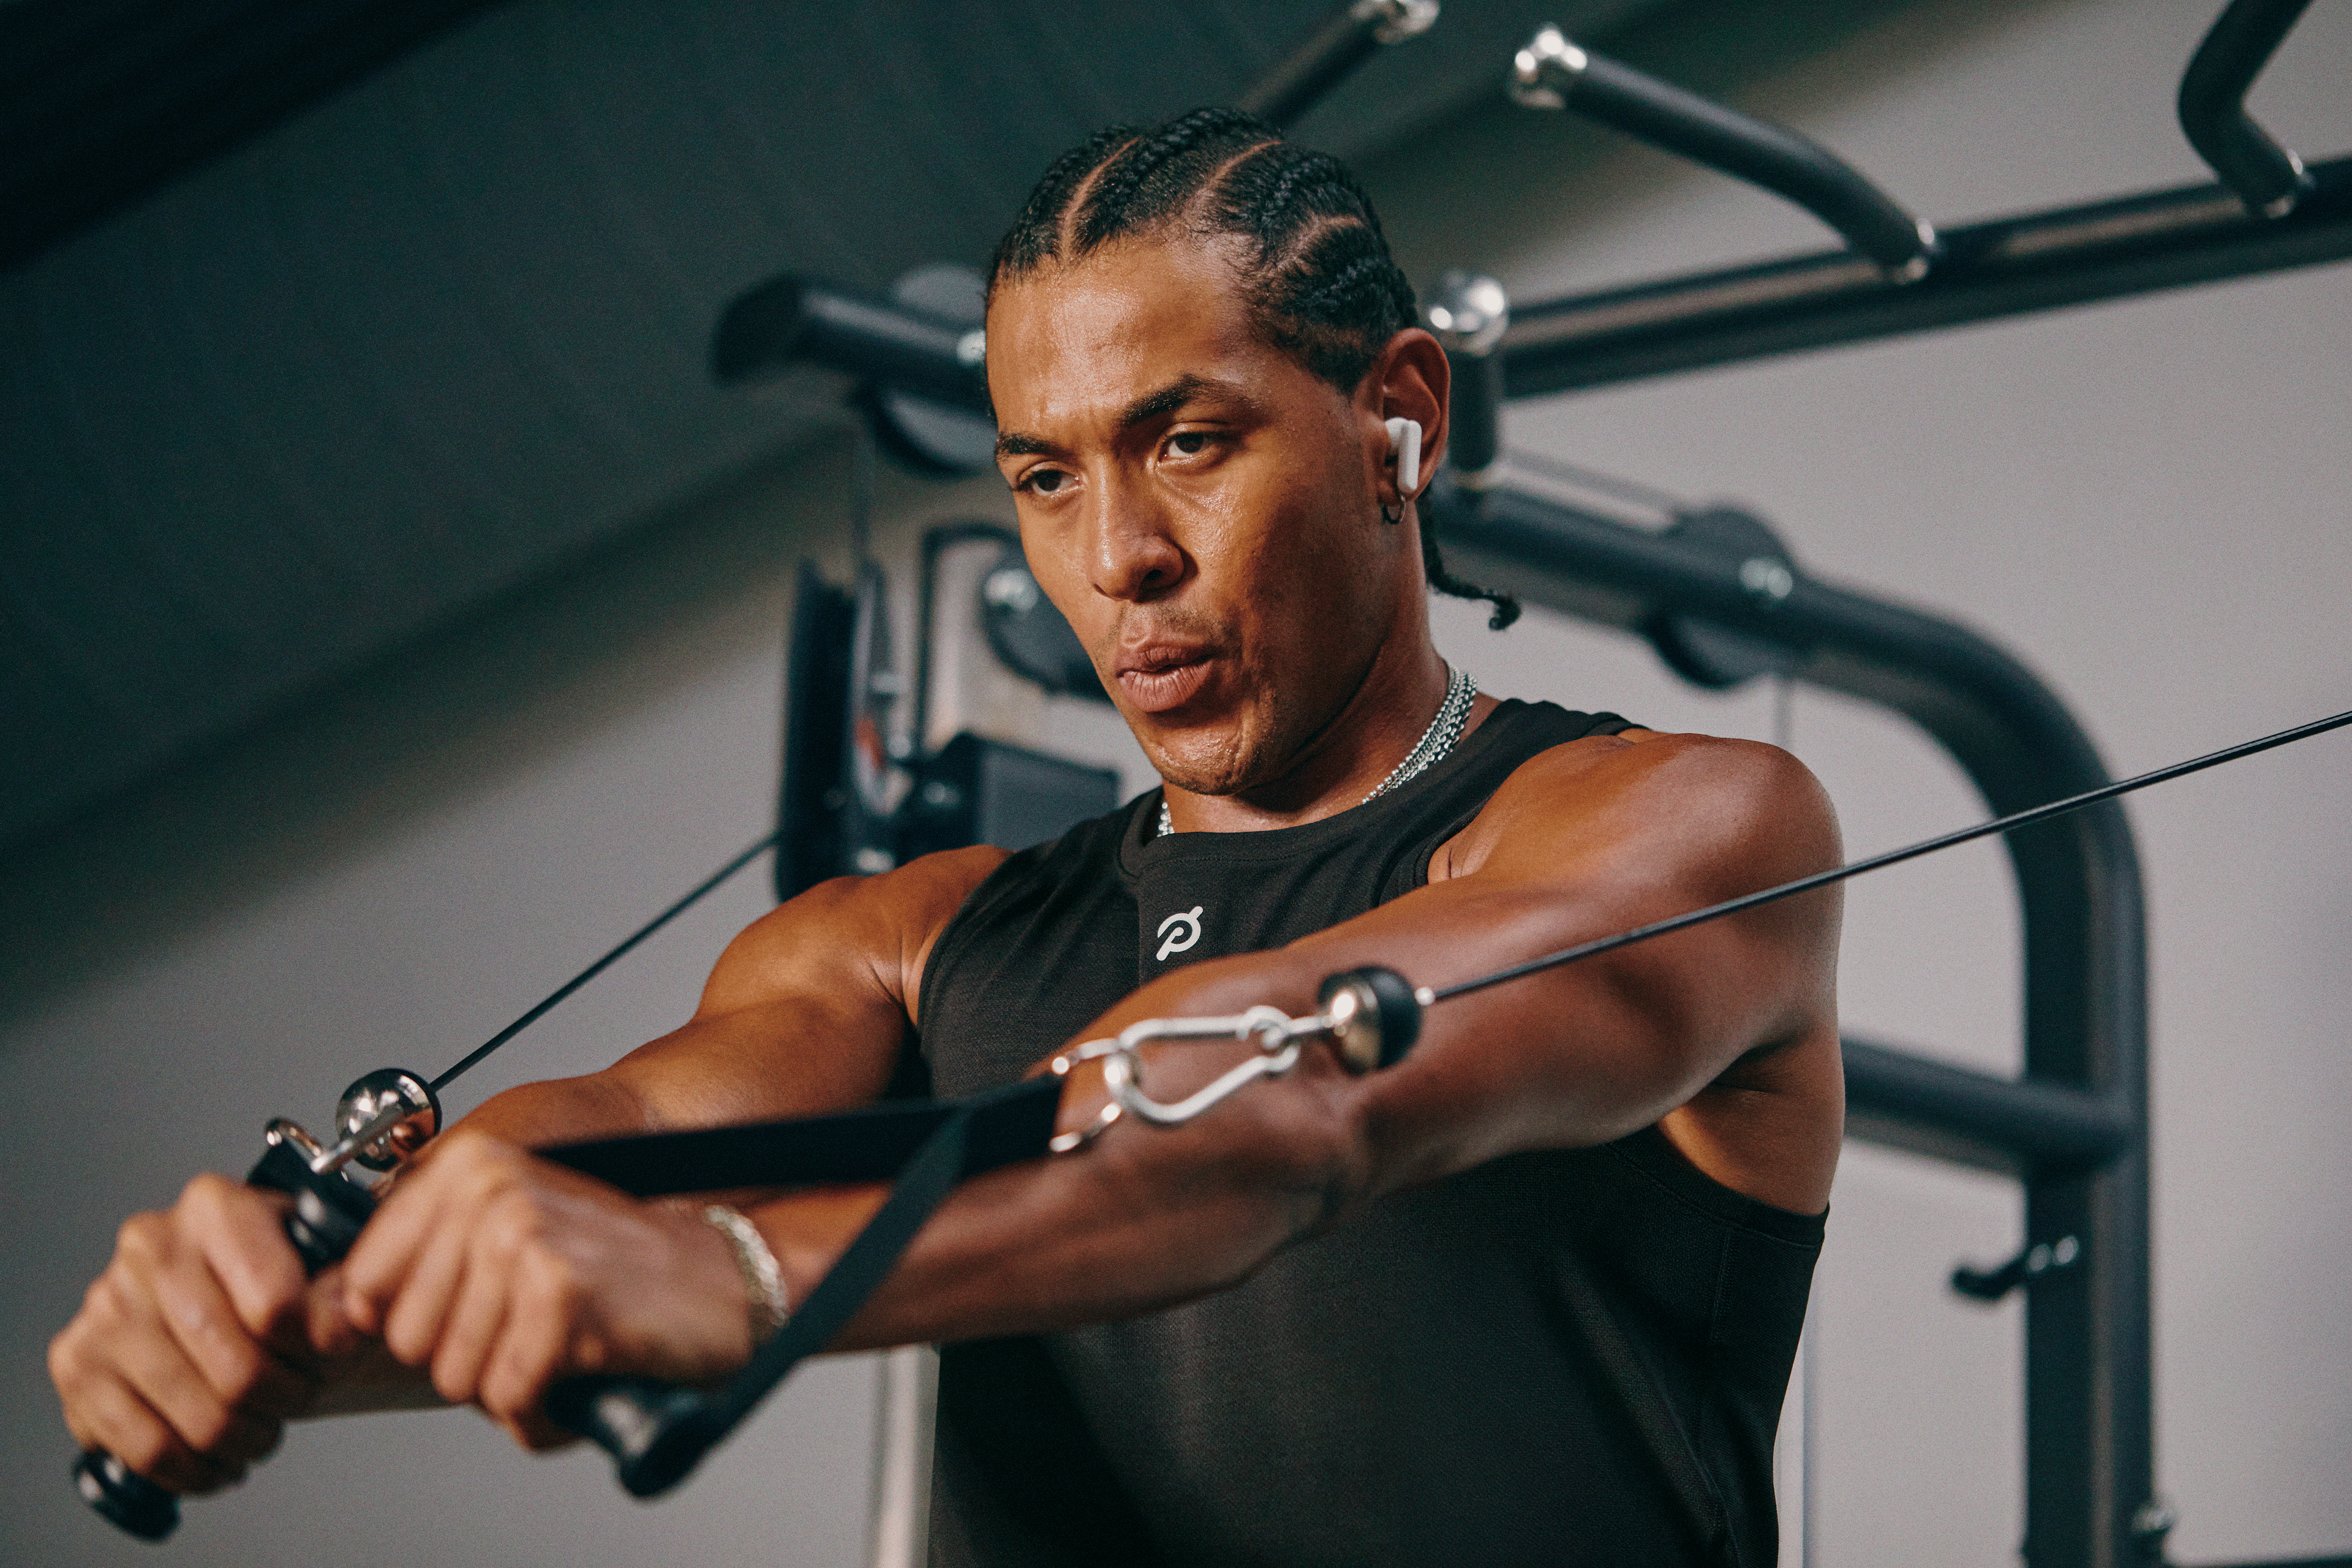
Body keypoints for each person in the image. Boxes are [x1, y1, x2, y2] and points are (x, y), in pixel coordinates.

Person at [50, 108, 1843, 1566]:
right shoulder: (909, 945)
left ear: (1401, 419)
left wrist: (738, 1277)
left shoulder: (1687, 827)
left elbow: (1292, 1096)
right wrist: (278, 1305)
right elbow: (620, 1141)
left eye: (1190, 441)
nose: (1117, 553)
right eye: (1045, 477)